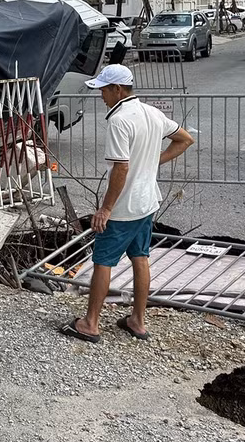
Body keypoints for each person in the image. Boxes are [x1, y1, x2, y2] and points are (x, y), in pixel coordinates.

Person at [61, 63, 194, 343]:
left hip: (125, 207)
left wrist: (106, 208)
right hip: (147, 201)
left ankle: (91, 323)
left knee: (103, 261)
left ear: (118, 90)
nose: (101, 96)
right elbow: (185, 139)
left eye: (104, 90)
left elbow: (120, 168)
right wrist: (153, 160)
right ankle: (137, 320)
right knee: (140, 258)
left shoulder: (120, 120)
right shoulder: (152, 113)